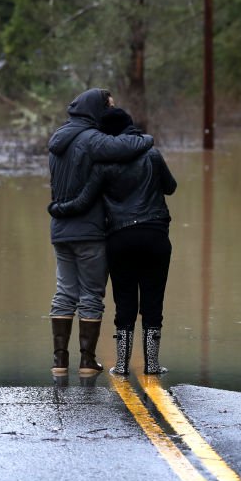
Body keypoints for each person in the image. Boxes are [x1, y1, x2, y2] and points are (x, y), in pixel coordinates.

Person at [49, 107, 177, 375]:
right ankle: (151, 364)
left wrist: (58, 208)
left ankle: (121, 365)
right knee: (154, 300)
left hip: (120, 238)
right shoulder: (152, 155)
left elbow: (84, 201)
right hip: (155, 235)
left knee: (125, 300)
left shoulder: (104, 166)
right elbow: (171, 187)